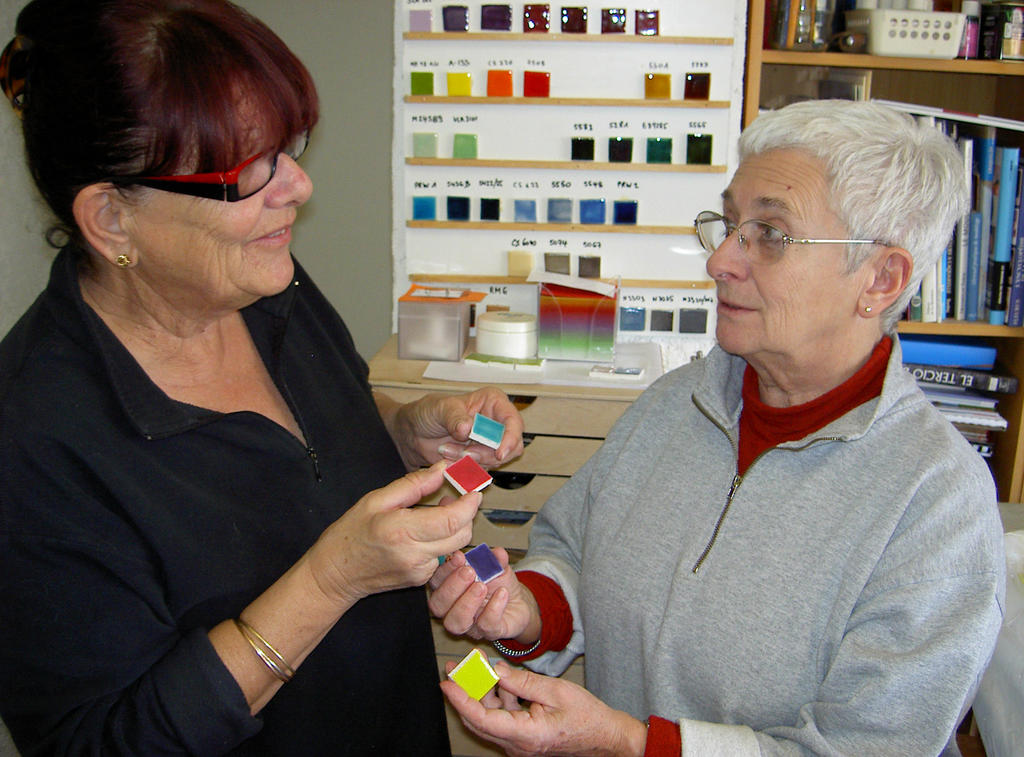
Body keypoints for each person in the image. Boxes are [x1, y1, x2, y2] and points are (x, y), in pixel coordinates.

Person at [0, 1, 524, 754]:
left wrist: (402, 428)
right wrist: (331, 579)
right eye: (246, 171)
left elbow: (307, 428)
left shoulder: (263, 283)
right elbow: (104, 741)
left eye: (288, 147)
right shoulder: (34, 442)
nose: (298, 188)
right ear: (113, 219)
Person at [429, 99, 1007, 756]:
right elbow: (575, 550)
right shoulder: (676, 403)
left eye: (772, 235)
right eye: (730, 224)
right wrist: (527, 608)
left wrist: (629, 743)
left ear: (880, 278)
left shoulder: (938, 506)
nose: (721, 261)